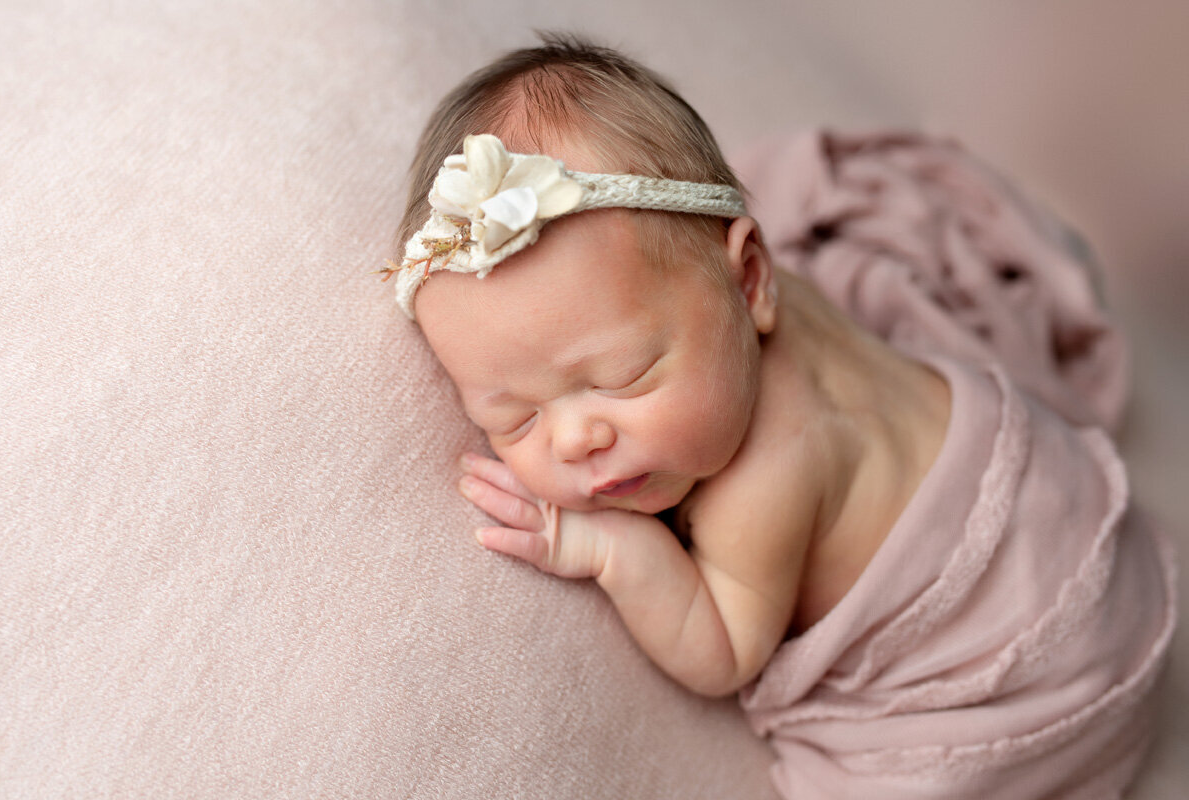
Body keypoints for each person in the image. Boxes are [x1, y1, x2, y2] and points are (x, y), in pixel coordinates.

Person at [388, 32, 1175, 799]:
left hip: (1039, 643)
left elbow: (722, 649)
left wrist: (602, 548)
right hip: (1055, 479)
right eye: (514, 416)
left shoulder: (759, 482)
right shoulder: (751, 302)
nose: (575, 437)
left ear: (751, 279)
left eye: (625, 376)